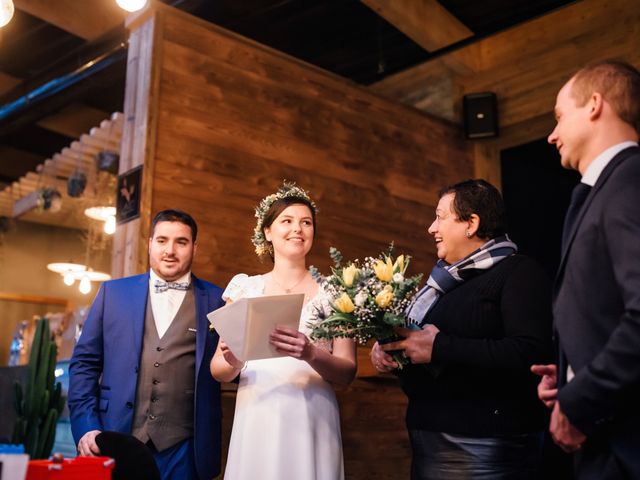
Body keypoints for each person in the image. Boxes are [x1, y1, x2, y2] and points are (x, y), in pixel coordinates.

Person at [371, 179, 552, 479]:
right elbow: (430, 355)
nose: (431, 228)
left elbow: (530, 353)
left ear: (471, 223)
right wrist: (391, 351)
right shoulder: (440, 284)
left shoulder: (518, 272)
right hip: (428, 441)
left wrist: (439, 347)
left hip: (487, 449)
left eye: (440, 217)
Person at [531, 60, 640, 479]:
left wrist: (578, 401)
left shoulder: (629, 181)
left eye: (559, 117)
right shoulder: (607, 190)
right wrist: (572, 368)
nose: (552, 134)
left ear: (594, 105)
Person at [210, 182, 356, 480]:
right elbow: (218, 370)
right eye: (286, 221)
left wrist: (311, 353)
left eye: (306, 222)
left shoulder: (336, 291)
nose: (297, 229)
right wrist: (234, 361)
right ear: (267, 232)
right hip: (258, 410)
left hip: (312, 413)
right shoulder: (245, 288)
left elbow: (346, 372)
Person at [68, 209, 225, 480]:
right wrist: (86, 426)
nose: (170, 250)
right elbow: (84, 365)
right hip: (116, 439)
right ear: (149, 243)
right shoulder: (113, 294)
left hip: (185, 448)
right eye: (162, 240)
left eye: (181, 242)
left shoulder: (218, 299)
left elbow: (230, 366)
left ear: (194, 248)